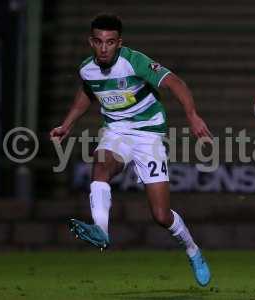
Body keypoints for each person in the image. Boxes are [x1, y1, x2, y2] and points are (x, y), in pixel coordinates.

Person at [50, 13, 212, 287]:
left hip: (148, 135)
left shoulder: (134, 61)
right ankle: (101, 230)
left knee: (161, 215)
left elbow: (176, 83)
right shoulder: (87, 69)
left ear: (119, 43)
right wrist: (67, 124)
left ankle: (193, 250)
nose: (104, 48)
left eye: (110, 42)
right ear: (91, 41)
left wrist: (193, 116)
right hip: (117, 132)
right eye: (99, 42)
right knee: (100, 163)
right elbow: (88, 92)